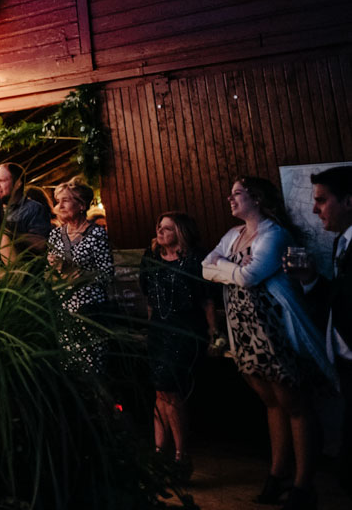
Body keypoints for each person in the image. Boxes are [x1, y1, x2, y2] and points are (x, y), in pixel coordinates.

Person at [203, 177, 334, 510]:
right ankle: (277, 475)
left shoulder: (273, 234)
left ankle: (304, 484)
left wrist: (225, 267)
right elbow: (205, 267)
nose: (230, 199)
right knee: (271, 403)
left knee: (295, 404)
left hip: (274, 330)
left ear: (257, 199)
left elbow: (252, 276)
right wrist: (231, 265)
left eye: (237, 194)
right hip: (243, 331)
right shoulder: (233, 236)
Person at [139, 211, 215, 475]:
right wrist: (150, 329)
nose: (160, 232)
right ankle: (160, 452)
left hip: (186, 330)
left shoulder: (195, 260)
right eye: (159, 227)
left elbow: (207, 300)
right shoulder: (150, 258)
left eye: (167, 229)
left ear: (181, 232)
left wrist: (213, 333)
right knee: (159, 391)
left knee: (172, 391)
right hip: (159, 330)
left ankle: (182, 455)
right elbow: (149, 297)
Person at [301, 166, 352, 501]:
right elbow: (339, 299)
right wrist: (309, 280)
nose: (315, 209)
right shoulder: (341, 243)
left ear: (348, 201)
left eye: (321, 200)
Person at [46, 179, 115, 374]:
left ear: (82, 205)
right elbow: (48, 275)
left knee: (93, 370)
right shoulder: (55, 236)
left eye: (66, 200)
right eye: (58, 201)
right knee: (70, 371)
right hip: (64, 311)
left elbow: (107, 275)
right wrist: (53, 272)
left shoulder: (96, 234)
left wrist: (72, 270)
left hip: (90, 311)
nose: (60, 206)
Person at [0, 162, 51, 250]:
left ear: (18, 184)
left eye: (2, 180)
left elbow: (42, 244)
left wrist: (9, 234)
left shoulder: (34, 209)